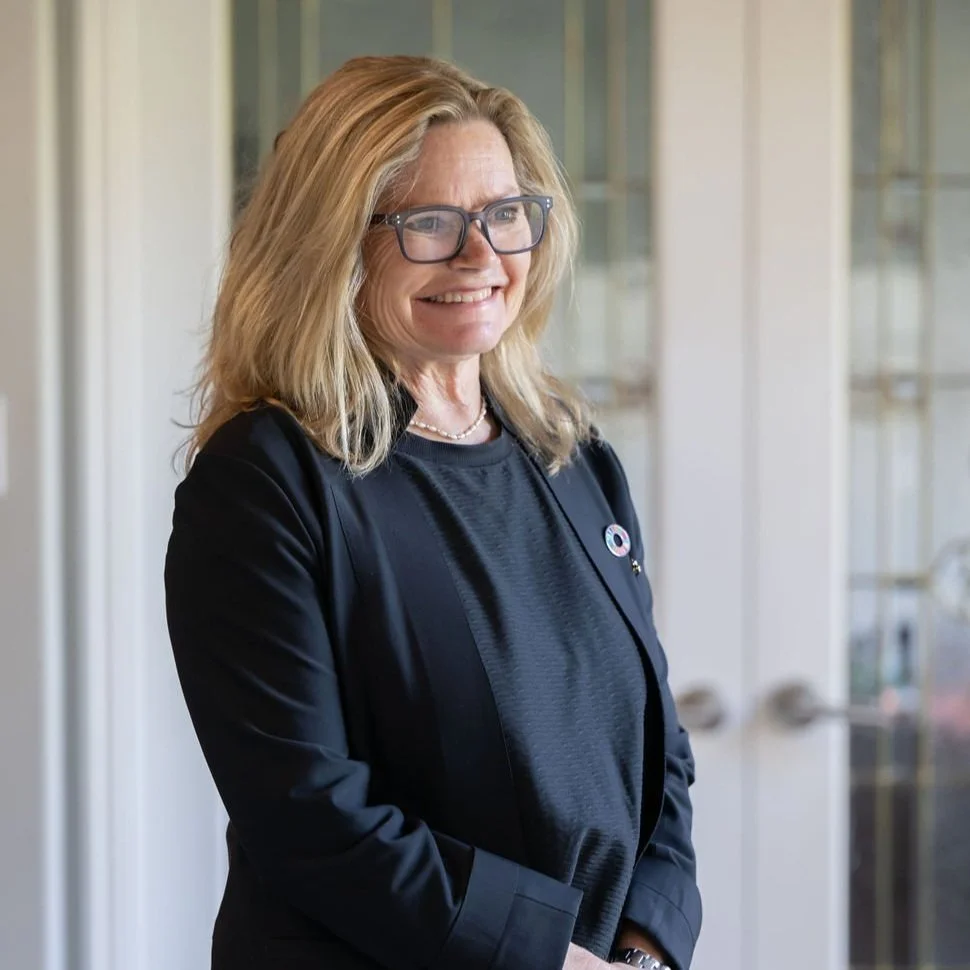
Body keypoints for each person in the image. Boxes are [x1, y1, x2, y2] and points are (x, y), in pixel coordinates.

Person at [165, 54, 701, 970]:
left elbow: (657, 750)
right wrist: (550, 959)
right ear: (331, 244)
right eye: (429, 223)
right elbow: (311, 812)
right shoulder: (265, 481)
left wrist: (645, 947)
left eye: (503, 214)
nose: (482, 256)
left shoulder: (572, 459)